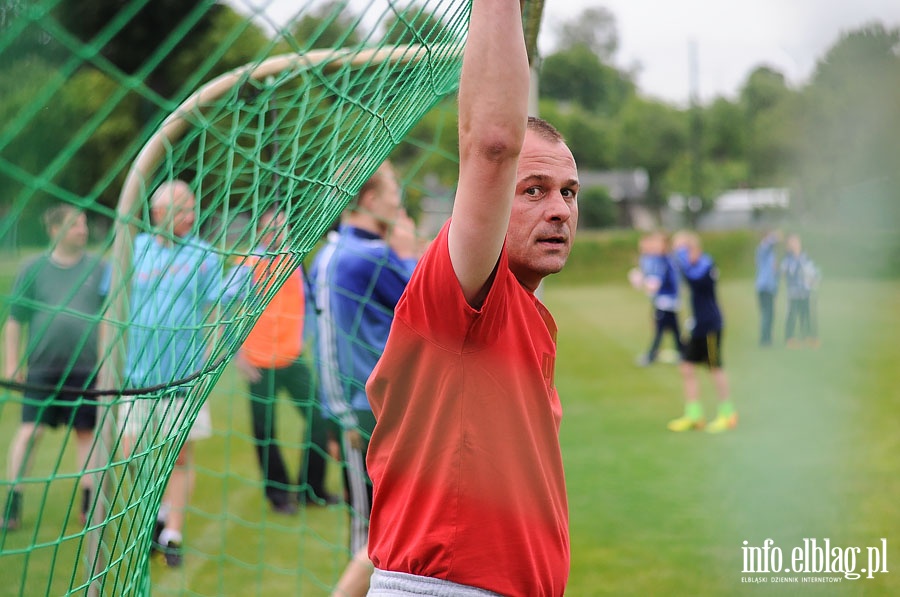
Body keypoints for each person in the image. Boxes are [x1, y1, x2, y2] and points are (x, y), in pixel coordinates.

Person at [364, 1, 578, 593]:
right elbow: (492, 143)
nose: (560, 209)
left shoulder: (523, 312)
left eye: (568, 191)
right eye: (533, 190)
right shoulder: (458, 294)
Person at [310, 160, 419, 594]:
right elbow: (429, 305)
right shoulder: (370, 256)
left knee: (377, 526)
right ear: (371, 200)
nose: (399, 200)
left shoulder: (330, 251)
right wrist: (408, 254)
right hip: (371, 409)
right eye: (393, 190)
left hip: (347, 405)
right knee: (374, 536)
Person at [118, 180, 222, 567]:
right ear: (159, 213)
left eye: (193, 208)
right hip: (136, 377)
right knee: (130, 454)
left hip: (183, 379)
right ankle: (159, 513)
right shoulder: (134, 249)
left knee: (178, 457)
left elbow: (213, 312)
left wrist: (206, 367)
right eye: (183, 209)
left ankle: (173, 534)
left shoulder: (205, 254)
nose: (192, 216)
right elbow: (114, 306)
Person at [1, 205, 107, 531]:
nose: (82, 229)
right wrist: (11, 363)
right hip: (42, 368)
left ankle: (89, 506)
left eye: (84, 223)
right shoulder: (32, 268)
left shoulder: (100, 268)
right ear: (54, 230)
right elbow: (15, 319)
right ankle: (11, 506)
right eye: (74, 224)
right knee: (30, 433)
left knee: (86, 435)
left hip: (86, 368)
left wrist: (105, 365)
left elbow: (107, 321)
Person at [225, 207, 334, 515]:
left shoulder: (294, 262)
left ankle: (312, 490)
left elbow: (308, 304)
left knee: (318, 420)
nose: (277, 233)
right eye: (271, 228)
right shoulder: (247, 264)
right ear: (260, 231)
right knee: (265, 431)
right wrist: (237, 354)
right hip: (258, 363)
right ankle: (279, 496)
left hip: (293, 358)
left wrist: (305, 337)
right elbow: (225, 307)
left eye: (282, 228)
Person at [667, 230, 736, 434]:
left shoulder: (706, 263)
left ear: (692, 248)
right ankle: (694, 415)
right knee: (687, 367)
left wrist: (681, 260)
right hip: (697, 325)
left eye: (682, 249)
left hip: (711, 325)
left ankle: (728, 413)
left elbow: (694, 280)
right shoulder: (692, 264)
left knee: (715, 368)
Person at [631, 230, 683, 366]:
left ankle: (651, 355)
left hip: (665, 301)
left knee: (660, 329)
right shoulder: (664, 259)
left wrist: (640, 281)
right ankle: (683, 353)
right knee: (674, 328)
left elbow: (656, 284)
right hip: (667, 301)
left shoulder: (664, 261)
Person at [781, 233, 820, 348]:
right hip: (793, 291)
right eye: (792, 242)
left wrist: (814, 278)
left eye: (796, 241)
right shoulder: (788, 259)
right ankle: (789, 338)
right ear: (789, 245)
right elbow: (784, 271)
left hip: (805, 291)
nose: (795, 244)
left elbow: (812, 271)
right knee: (792, 314)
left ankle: (807, 336)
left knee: (806, 314)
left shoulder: (805, 257)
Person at [755, 229, 782, 347]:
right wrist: (775, 236)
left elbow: (774, 273)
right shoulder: (763, 250)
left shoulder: (771, 254)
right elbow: (768, 243)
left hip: (770, 288)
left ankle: (768, 338)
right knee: (767, 313)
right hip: (763, 287)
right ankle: (764, 339)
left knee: (770, 314)